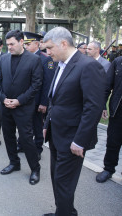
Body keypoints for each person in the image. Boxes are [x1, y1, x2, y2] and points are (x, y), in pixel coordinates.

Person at [42, 27, 105, 216]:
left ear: (63, 43)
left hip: (72, 139)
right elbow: (55, 99)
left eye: (50, 48)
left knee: (64, 183)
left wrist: (80, 140)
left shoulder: (88, 66)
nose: (47, 53)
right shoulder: (61, 65)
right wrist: (47, 125)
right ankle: (65, 211)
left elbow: (92, 107)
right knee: (57, 179)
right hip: (56, 134)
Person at [0, 30, 42, 185]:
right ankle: (14, 163)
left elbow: (36, 85)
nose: (9, 47)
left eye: (12, 44)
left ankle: (35, 169)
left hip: (23, 108)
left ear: (22, 42)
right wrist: (3, 99)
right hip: (6, 106)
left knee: (27, 139)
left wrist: (19, 101)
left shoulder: (34, 60)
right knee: (8, 136)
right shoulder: (3, 59)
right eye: (7, 44)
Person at [19, 32, 55, 159]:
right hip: (25, 99)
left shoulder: (45, 59)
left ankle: (38, 148)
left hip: (37, 100)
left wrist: (44, 102)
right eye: (25, 44)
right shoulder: (24, 57)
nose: (26, 47)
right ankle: (22, 144)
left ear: (37, 44)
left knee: (37, 125)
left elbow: (47, 83)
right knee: (24, 124)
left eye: (28, 44)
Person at [96, 55, 122, 183]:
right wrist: (103, 106)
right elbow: (107, 86)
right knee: (113, 142)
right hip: (118, 111)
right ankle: (108, 169)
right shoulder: (118, 62)